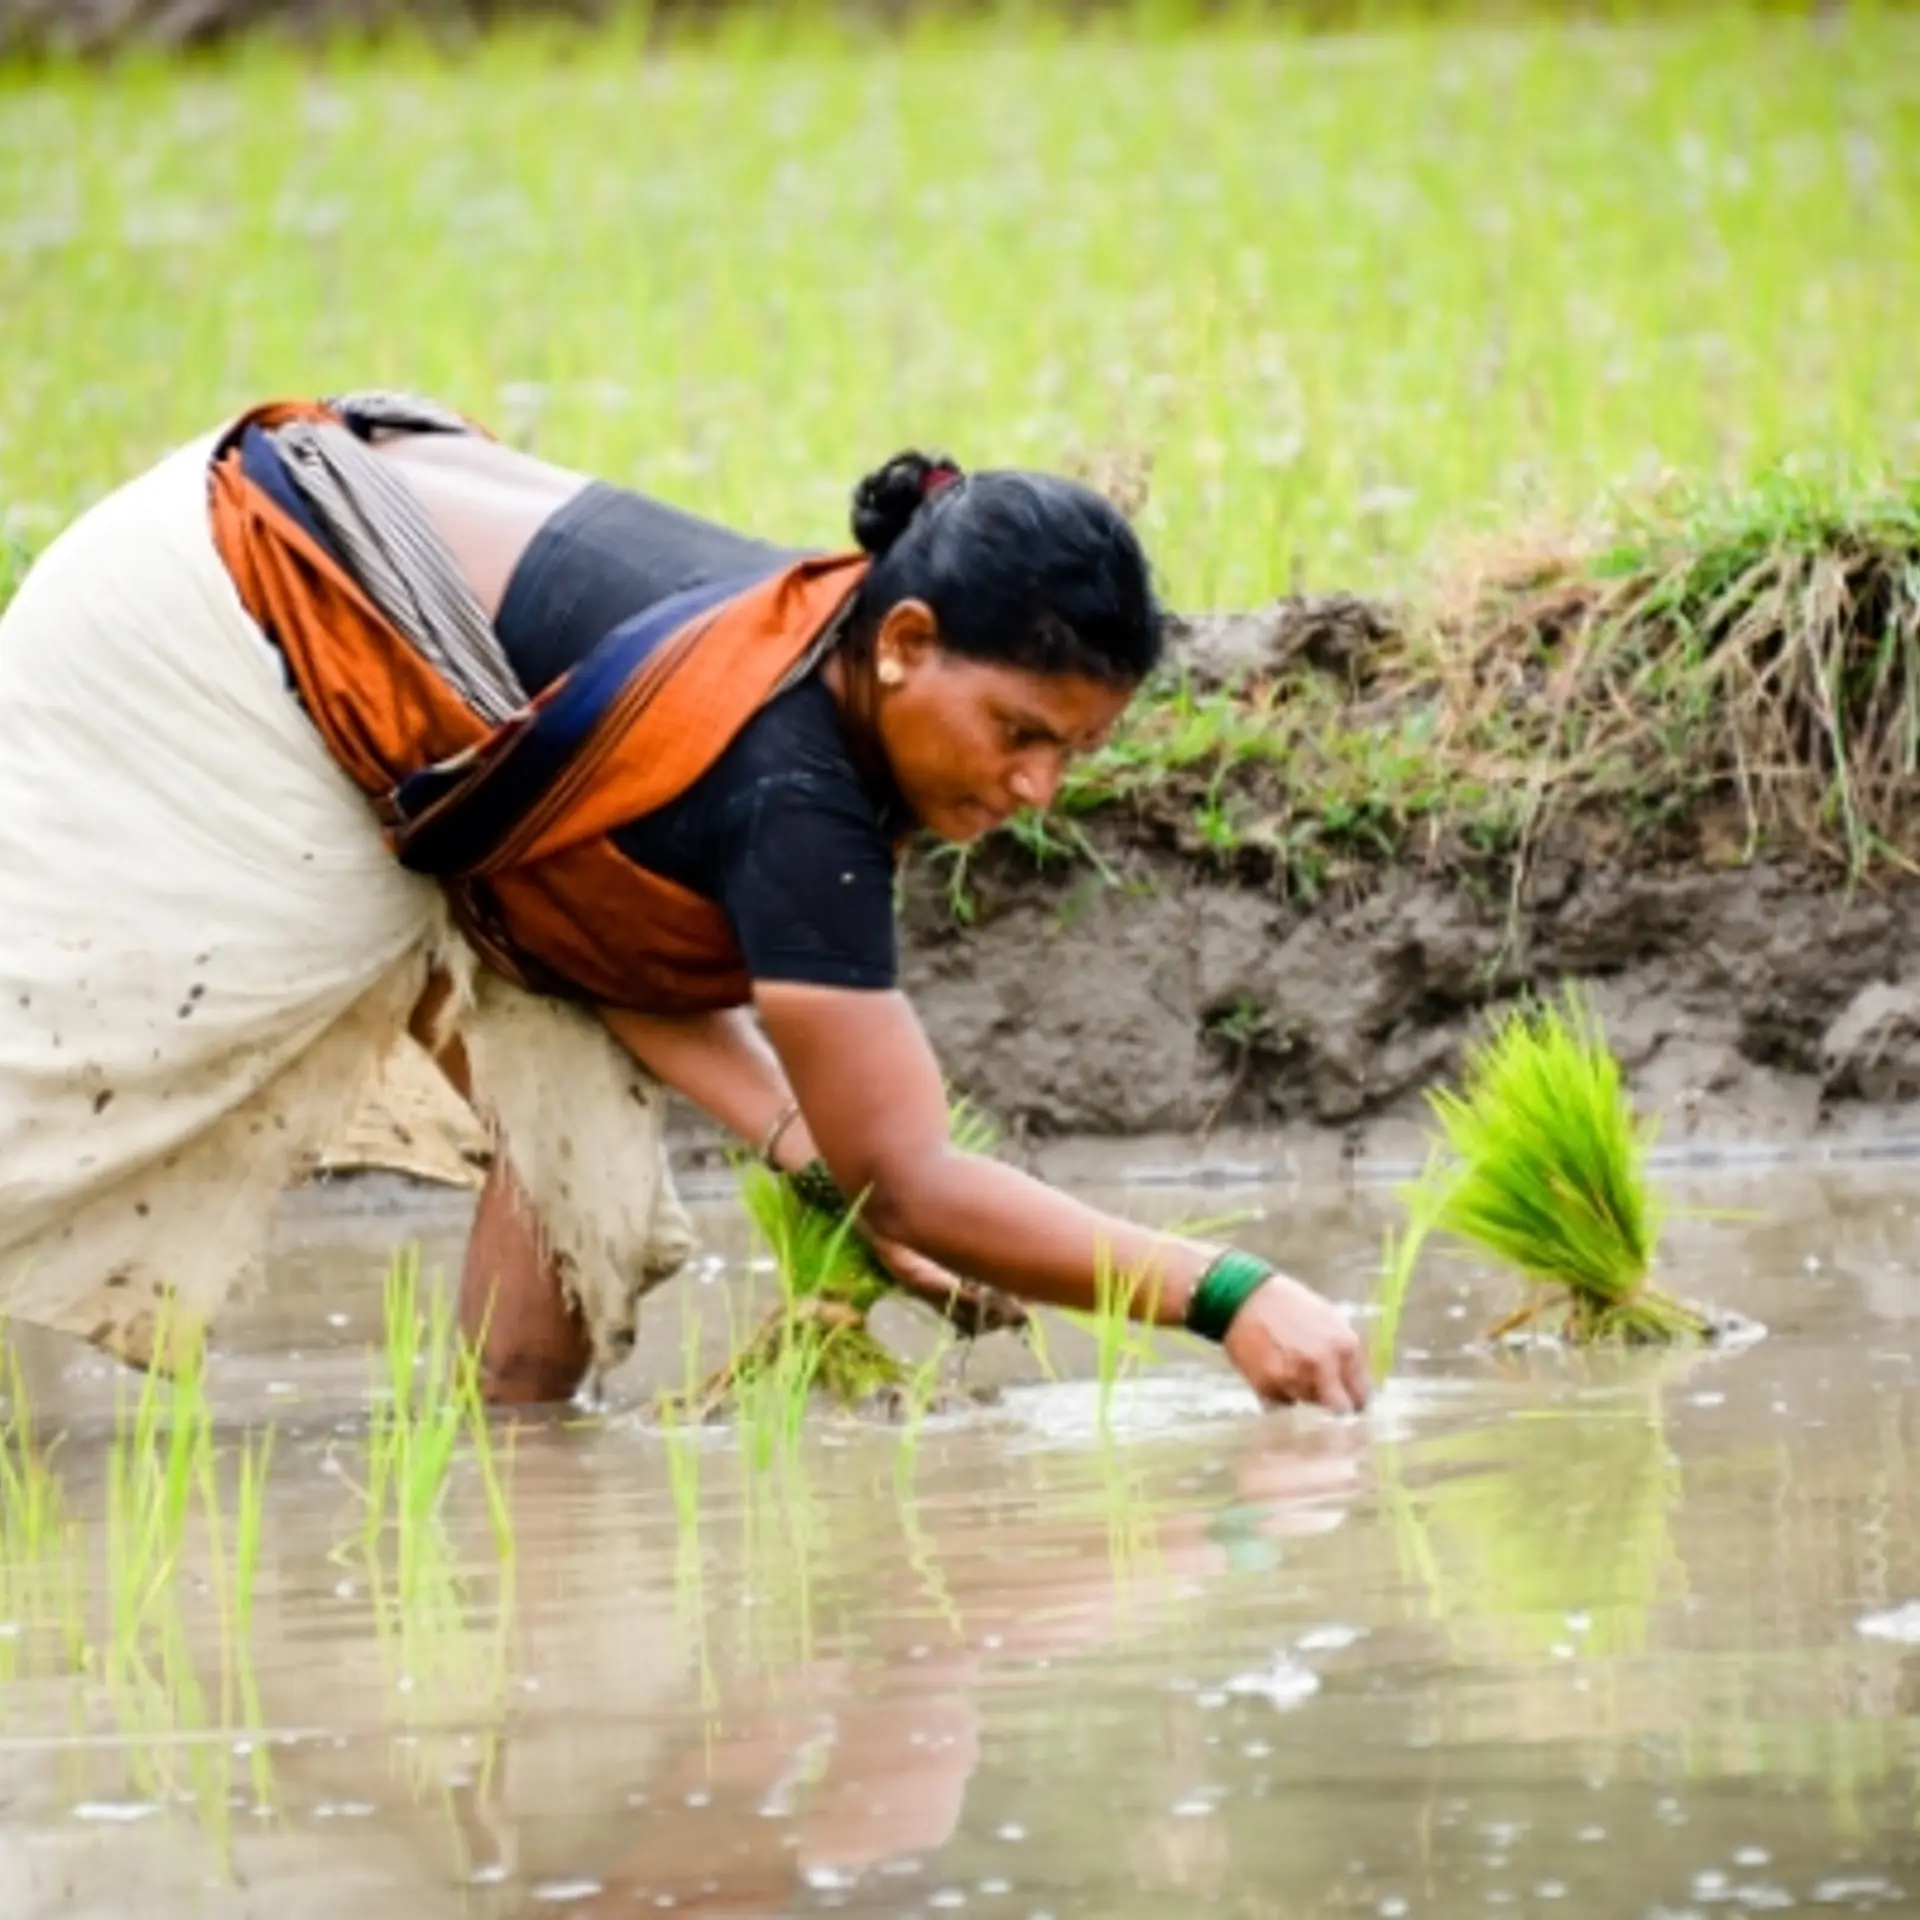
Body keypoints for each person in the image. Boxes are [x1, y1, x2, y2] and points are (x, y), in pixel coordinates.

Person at [0, 392, 1368, 1415]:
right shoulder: (793, 784)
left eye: (1074, 750)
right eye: (1021, 732)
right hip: (214, 610)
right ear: (904, 646)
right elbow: (915, 1173)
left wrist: (810, 1150)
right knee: (76, 1077)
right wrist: (1229, 1292)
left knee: (576, 1149)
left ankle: (504, 1492)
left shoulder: (834, 663)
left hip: (359, 594)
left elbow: (603, 936)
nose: (1039, 790)